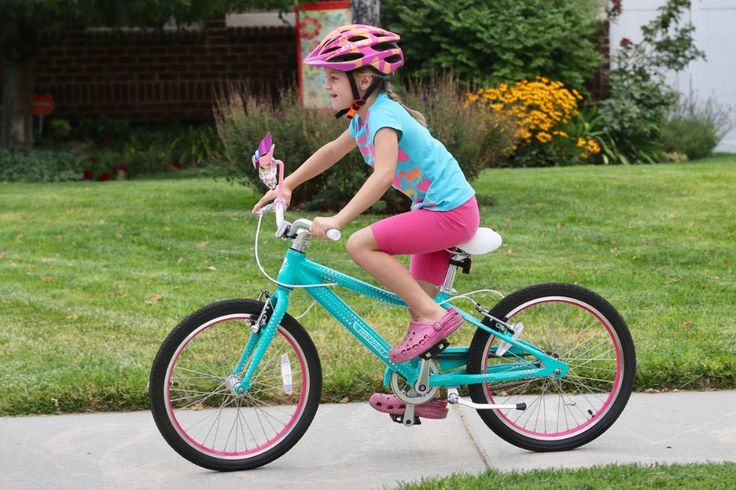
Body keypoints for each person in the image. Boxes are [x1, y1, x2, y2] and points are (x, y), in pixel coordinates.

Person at [252, 24, 480, 419]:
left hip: (450, 212)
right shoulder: (363, 117)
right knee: (419, 308)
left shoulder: (384, 117)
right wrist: (285, 185)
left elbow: (384, 174)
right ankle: (429, 392)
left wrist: (339, 219)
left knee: (360, 244)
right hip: (432, 210)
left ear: (363, 79)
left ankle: (435, 317)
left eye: (333, 77)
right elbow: (330, 151)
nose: (326, 84)